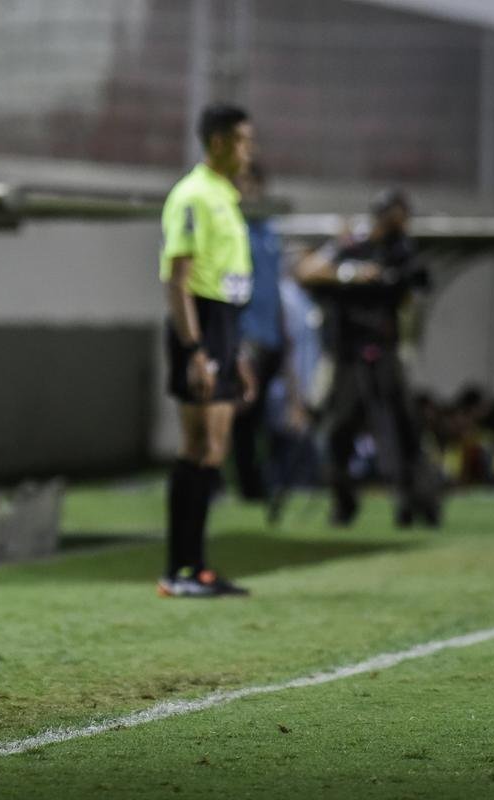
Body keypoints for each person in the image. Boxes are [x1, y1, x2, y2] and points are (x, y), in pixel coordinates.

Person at [295, 189, 439, 528]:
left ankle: (415, 503)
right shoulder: (352, 248)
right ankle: (343, 501)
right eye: (391, 217)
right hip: (348, 356)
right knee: (340, 431)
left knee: (402, 430)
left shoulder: (403, 253)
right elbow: (307, 270)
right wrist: (353, 274)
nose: (396, 225)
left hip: (385, 353)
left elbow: (415, 284)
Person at [158, 103, 256, 597]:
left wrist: (235, 354)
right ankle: (181, 570)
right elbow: (179, 281)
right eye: (242, 140)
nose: (248, 150)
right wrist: (195, 348)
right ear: (217, 141)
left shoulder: (226, 196)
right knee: (199, 446)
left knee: (212, 448)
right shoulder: (193, 195)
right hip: (201, 323)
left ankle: (195, 568)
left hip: (224, 326)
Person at [230, 160, 306, 503]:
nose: (251, 191)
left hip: (272, 336)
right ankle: (245, 485)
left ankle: (267, 480)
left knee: (266, 416)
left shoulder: (271, 229)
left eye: (255, 184)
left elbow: (275, 286)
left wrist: (284, 330)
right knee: (243, 416)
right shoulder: (234, 228)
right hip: (246, 337)